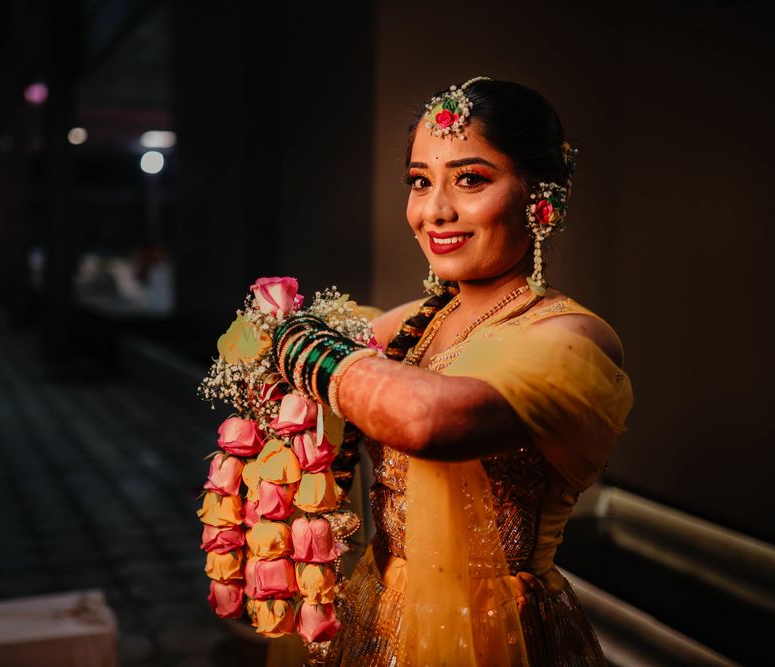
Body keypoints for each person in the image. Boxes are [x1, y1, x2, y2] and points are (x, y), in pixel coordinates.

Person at [268, 77, 634, 665]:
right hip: (375, 612)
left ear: (542, 195)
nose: (435, 211)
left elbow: (428, 419)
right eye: (420, 182)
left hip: (498, 635)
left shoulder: (571, 339)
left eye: (470, 179)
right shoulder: (406, 324)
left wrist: (296, 346)